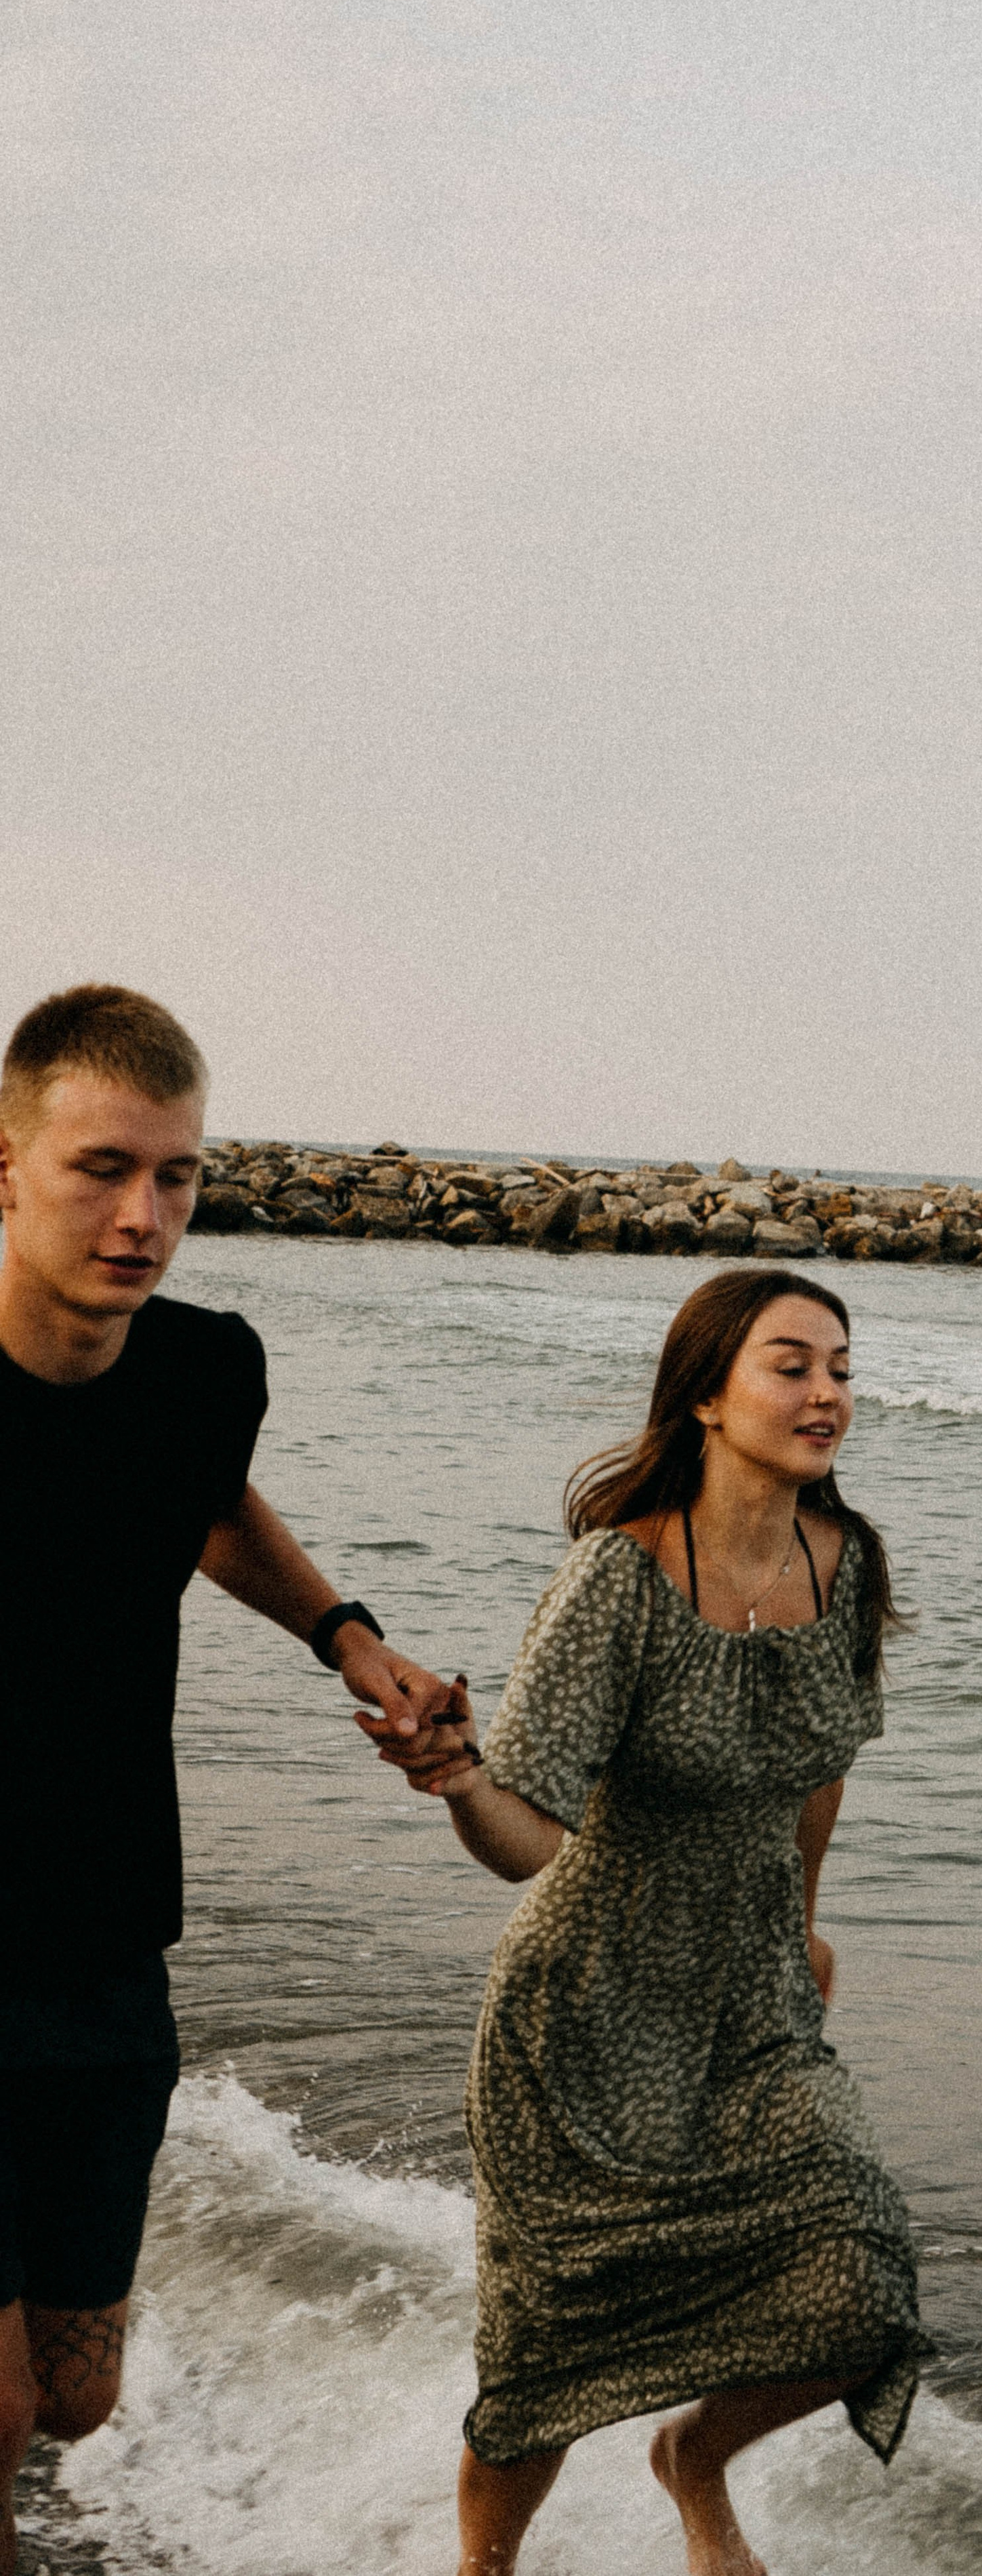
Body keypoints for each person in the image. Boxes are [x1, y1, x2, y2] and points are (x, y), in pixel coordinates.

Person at [369, 1266, 924, 2576]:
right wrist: (460, 1779)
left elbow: (822, 1766)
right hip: (585, 2011)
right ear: (708, 1397)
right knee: (547, 2353)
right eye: (792, 1365)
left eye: (842, 1369)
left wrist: (804, 1927)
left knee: (862, 2285)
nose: (828, 1394)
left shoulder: (844, 1562)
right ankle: (483, 2570)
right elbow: (528, 1837)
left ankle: (695, 2459)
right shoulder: (616, 1579)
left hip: (752, 2002)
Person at [0, 984, 451, 2576]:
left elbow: (209, 1505)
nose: (143, 1216)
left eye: (177, 1176)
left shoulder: (204, 1368)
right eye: (102, 1168)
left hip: (105, 1931)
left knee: (74, 2396)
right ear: (6, 1167)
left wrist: (346, 1635)